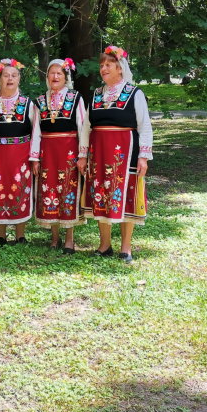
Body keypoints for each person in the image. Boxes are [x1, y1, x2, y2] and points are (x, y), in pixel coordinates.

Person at [81, 46, 153, 263]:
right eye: (102, 65)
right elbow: (86, 127)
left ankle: (126, 247)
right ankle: (104, 245)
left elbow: (145, 126)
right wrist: (83, 155)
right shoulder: (95, 95)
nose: (103, 69)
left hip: (125, 155)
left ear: (120, 68)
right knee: (101, 196)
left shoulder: (134, 94)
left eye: (108, 65)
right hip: (99, 156)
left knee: (125, 198)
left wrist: (143, 156)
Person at [0, 58, 41, 245]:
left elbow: (35, 130)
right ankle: (0, 234)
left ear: (19, 79)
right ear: (0, 79)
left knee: (20, 189)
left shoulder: (28, 104)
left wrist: (32, 154)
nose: (10, 79)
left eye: (14, 75)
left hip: (21, 155)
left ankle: (20, 234)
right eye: (6, 76)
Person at [34, 58, 87, 254]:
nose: (55, 76)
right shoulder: (40, 101)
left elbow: (83, 127)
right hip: (47, 154)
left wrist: (83, 155)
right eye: (51, 73)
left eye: (59, 73)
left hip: (69, 153)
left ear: (66, 77)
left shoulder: (76, 98)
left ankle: (69, 239)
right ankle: (55, 237)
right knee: (50, 192)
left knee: (68, 192)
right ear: (47, 76)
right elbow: (35, 132)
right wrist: (35, 159)